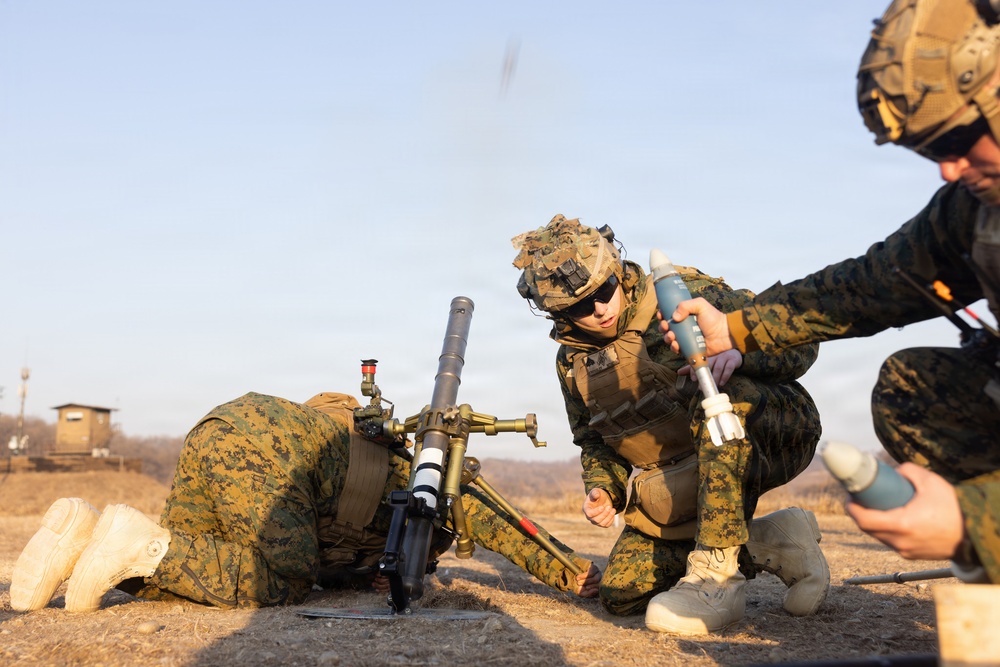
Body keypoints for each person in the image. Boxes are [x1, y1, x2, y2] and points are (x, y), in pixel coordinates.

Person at [658, 0, 1000, 587]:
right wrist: (735, 328)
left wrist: (977, 522)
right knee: (916, 390)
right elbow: (869, 285)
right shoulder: (975, 209)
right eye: (929, 149)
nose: (947, 169)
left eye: (962, 138)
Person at [511, 215, 828, 635]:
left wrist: (741, 354)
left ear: (616, 272)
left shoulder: (681, 297)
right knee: (622, 594)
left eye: (604, 290)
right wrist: (603, 487)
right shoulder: (573, 363)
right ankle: (774, 539)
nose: (601, 309)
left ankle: (716, 578)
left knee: (719, 400)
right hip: (687, 477)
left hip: (774, 429)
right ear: (557, 313)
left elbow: (800, 339)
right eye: (580, 308)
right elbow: (594, 438)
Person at [10, 391, 600, 613]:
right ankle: (144, 544)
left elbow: (329, 549)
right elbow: (503, 520)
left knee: (198, 568)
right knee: (279, 583)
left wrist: (357, 576)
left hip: (221, 426)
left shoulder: (344, 445)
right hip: (266, 451)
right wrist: (572, 571)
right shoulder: (423, 473)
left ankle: (81, 532)